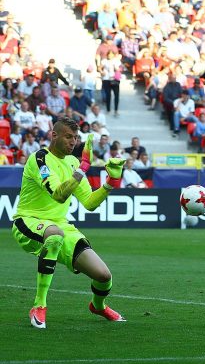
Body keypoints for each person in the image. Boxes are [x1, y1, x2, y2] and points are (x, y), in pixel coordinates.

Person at [11, 118, 127, 328]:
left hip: (60, 226)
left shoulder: (73, 163)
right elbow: (58, 195)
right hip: (29, 221)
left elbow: (90, 203)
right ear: (54, 135)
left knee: (103, 276)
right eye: (68, 137)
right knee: (54, 234)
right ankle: (39, 305)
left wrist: (110, 183)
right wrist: (83, 168)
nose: (73, 142)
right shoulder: (39, 159)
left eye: (75, 138)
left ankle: (98, 306)